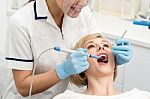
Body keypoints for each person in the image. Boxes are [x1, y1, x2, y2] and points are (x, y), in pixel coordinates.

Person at [3, 0, 132, 99]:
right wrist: (62, 71)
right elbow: (23, 87)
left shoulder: (84, 13)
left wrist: (111, 58)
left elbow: (98, 45)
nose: (83, 3)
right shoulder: (21, 22)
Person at [53, 33, 150, 99]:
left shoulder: (140, 96)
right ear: (80, 68)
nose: (101, 47)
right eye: (91, 46)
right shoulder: (66, 98)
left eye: (106, 45)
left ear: (115, 64)